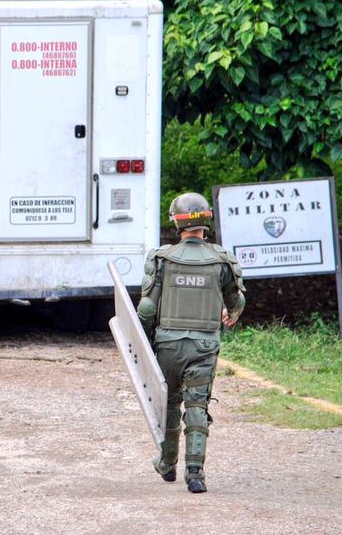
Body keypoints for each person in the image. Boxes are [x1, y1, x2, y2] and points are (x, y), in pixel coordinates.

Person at [136, 192, 246, 494]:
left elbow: (146, 309)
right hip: (204, 347)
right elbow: (236, 300)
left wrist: (142, 343)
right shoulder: (221, 259)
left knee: (169, 403)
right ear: (205, 222)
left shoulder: (162, 259)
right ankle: (195, 473)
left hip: (168, 345)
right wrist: (232, 314)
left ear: (177, 222)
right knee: (197, 404)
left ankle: (167, 464)